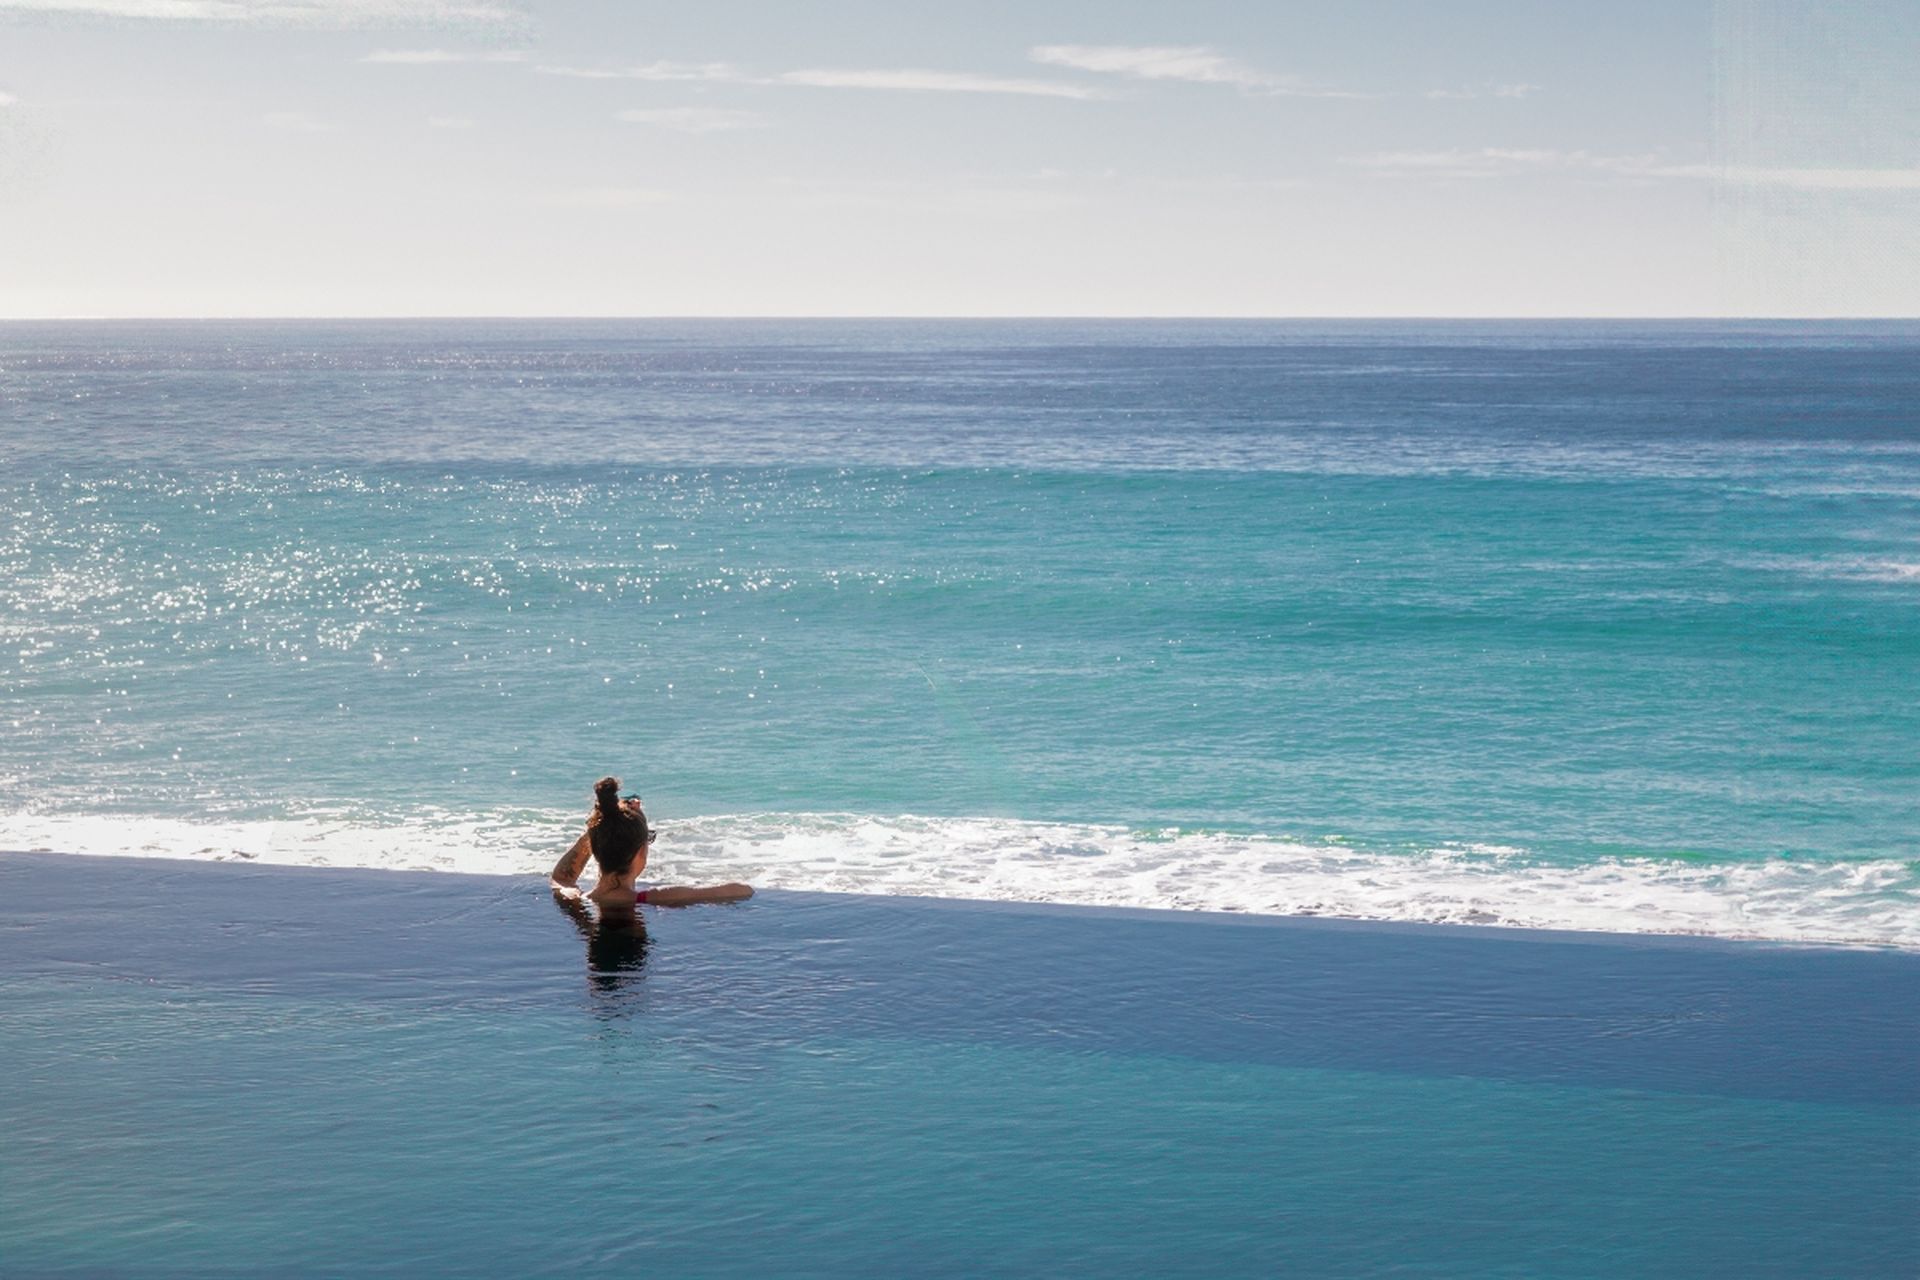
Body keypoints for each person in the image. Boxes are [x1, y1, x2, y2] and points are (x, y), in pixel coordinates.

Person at [548, 776, 753, 907]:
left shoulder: (573, 897)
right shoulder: (656, 898)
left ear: (592, 846)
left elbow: (561, 877)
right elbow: (743, 889)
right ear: (640, 851)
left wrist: (601, 826)